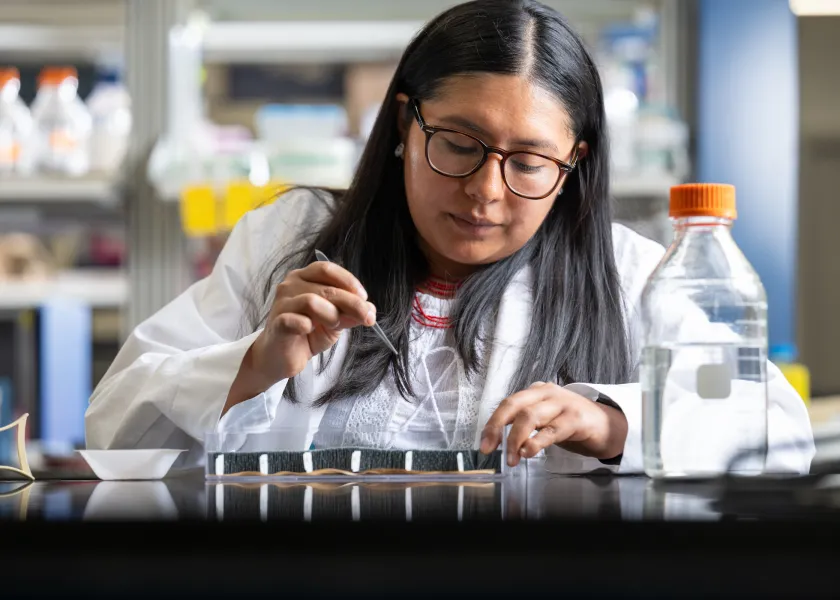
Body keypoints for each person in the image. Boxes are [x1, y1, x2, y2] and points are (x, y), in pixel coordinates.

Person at [85, 0, 814, 474]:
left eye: (529, 162)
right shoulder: (296, 235)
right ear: (405, 124)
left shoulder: (628, 273)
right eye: (459, 144)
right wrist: (253, 365)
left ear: (572, 166)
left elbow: (773, 428)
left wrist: (613, 419)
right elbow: (115, 428)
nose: (486, 191)